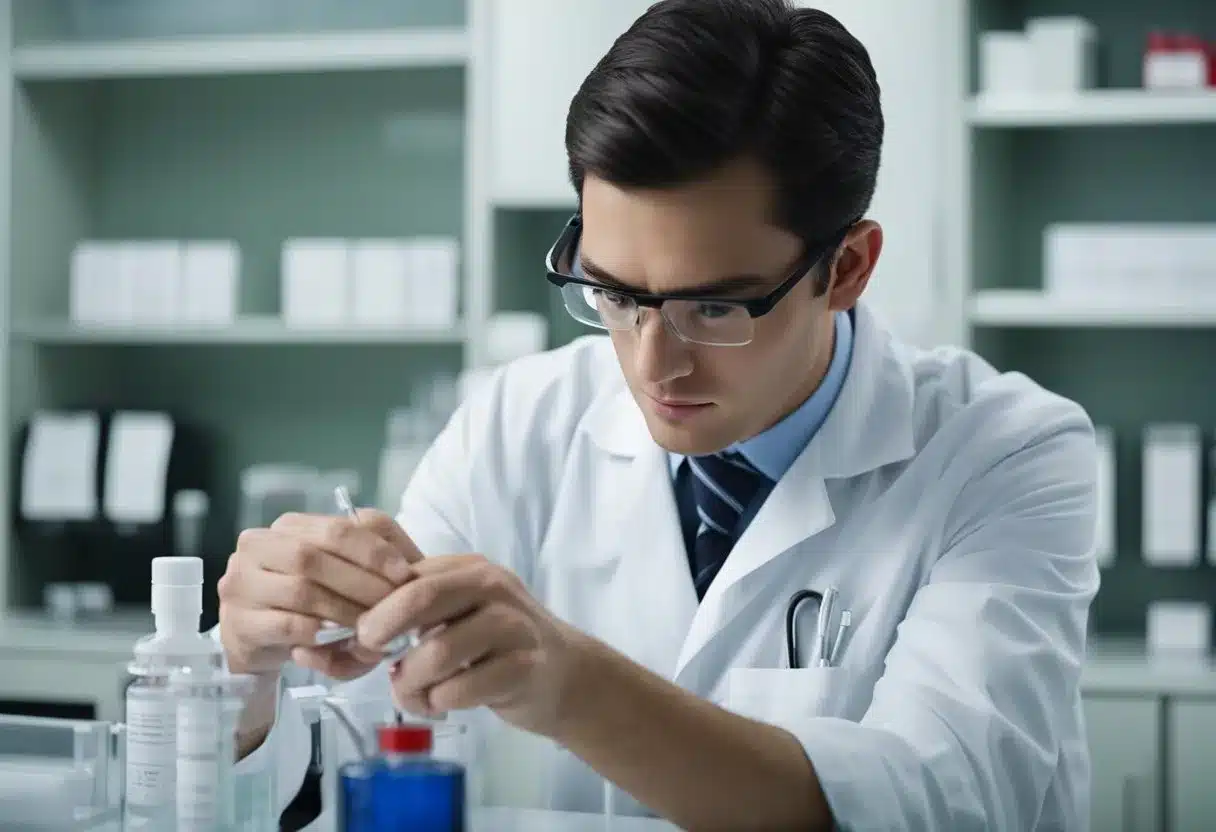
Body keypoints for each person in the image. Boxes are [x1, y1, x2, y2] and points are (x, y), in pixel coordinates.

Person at [218, 1, 1100, 829]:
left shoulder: (1007, 454)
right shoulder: (517, 422)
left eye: (715, 308)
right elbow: (352, 748)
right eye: (614, 292)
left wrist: (572, 687)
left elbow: (936, 799)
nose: (652, 362)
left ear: (848, 267)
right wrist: (250, 687)